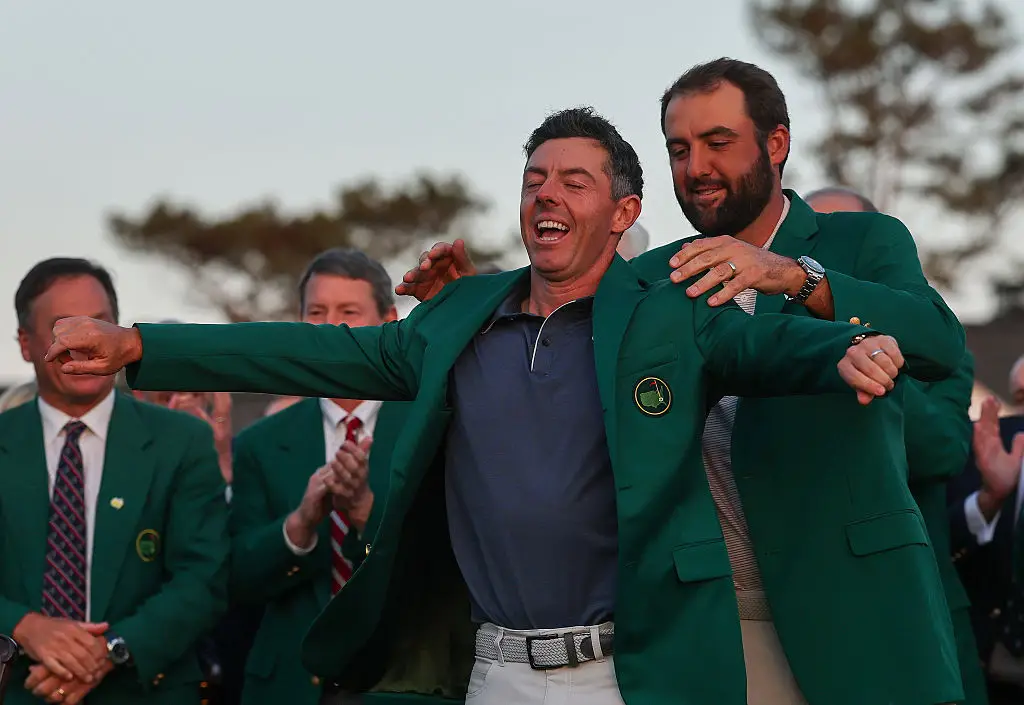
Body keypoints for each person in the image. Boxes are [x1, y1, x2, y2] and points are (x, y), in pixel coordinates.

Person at [45, 108, 932, 705]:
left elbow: (765, 346)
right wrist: (142, 344)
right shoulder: (461, 316)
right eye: (534, 179)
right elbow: (313, 349)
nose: (545, 193)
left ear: (624, 212)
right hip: (493, 672)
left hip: (629, 670)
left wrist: (841, 345)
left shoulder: (668, 316)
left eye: (573, 182)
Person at [396, 62, 967, 705]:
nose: (695, 166)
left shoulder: (860, 240)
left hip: (848, 611)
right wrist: (468, 314)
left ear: (775, 144)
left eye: (717, 143)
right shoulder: (654, 277)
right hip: (701, 628)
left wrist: (789, 277)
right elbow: (554, 337)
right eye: (678, 148)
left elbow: (938, 344)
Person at [0, 257, 229, 705]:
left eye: (98, 324)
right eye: (63, 327)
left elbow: (204, 578)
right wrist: (25, 627)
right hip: (20, 690)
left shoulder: (183, 441)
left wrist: (111, 651)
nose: (83, 342)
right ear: (25, 344)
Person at [229, 248, 453, 705]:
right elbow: (236, 581)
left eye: (349, 312)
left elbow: (449, 568)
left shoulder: (433, 427)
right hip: (290, 685)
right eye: (316, 312)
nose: (331, 327)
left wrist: (366, 514)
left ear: (389, 320)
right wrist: (299, 527)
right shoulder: (261, 442)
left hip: (403, 681)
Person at [806, 187, 986, 705]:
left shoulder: (939, 354)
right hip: (810, 608)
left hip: (911, 612)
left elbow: (940, 451)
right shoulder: (776, 347)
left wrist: (869, 352)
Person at [949, 355, 1024, 705]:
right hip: (992, 673)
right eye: (1023, 399)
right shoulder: (982, 446)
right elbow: (943, 545)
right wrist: (989, 499)